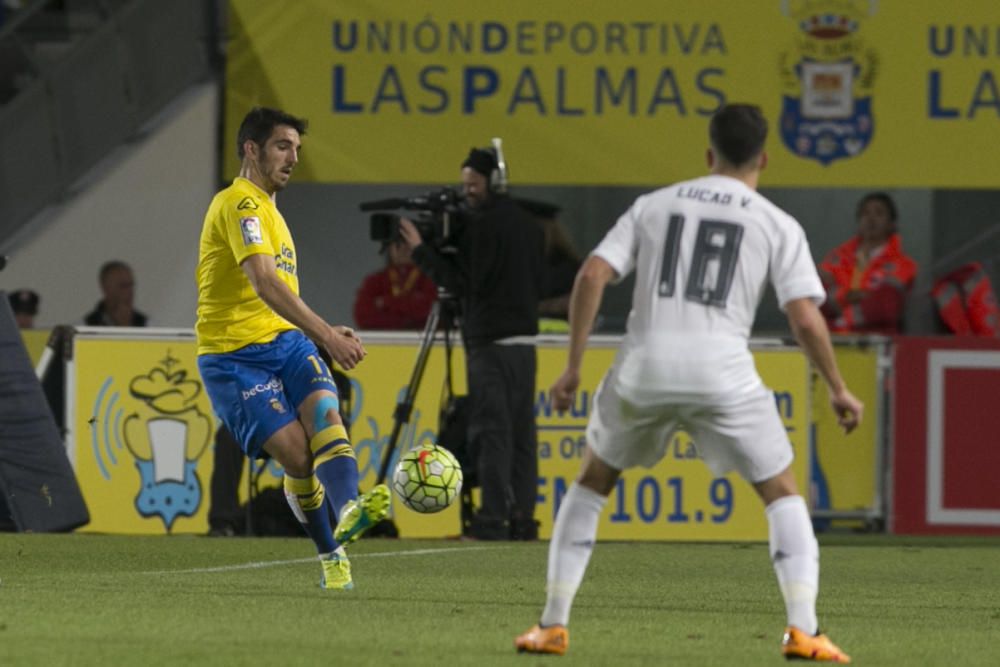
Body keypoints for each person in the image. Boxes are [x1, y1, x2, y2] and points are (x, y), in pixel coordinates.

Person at [514, 104, 863, 663]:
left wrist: (574, 367)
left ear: (708, 154)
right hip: (722, 373)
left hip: (643, 369)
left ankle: (552, 625)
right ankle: (804, 630)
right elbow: (803, 317)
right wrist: (838, 387)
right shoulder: (776, 222)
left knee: (591, 483)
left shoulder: (654, 205)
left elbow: (591, 275)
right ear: (764, 158)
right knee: (781, 492)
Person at [194, 106, 389, 590]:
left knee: (327, 417)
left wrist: (320, 332)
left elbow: (278, 296)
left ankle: (349, 509)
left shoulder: (273, 212)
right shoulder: (239, 205)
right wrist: (326, 335)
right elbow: (263, 282)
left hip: (284, 342)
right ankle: (331, 554)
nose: (293, 157)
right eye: (283, 146)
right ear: (251, 149)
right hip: (232, 356)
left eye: (297, 149)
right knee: (299, 460)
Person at [399, 145, 545, 541]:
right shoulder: (529, 224)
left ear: (491, 182)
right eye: (464, 186)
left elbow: (461, 282)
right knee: (521, 434)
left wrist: (419, 251)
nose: (468, 193)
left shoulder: (480, 228)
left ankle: (491, 520)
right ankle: (522, 519)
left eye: (473, 185)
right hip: (524, 343)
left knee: (492, 431)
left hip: (490, 343)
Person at [818, 192, 917, 334]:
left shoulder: (903, 264)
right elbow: (817, 299)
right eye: (865, 213)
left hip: (878, 345)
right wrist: (849, 296)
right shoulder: (836, 258)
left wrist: (840, 303)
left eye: (879, 213)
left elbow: (884, 307)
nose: (871, 219)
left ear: (892, 224)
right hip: (833, 341)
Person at [352, 237, 437, 330]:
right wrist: (409, 309)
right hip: (384, 341)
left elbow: (428, 311)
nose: (403, 249)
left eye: (408, 244)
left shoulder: (431, 279)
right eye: (398, 244)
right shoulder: (375, 280)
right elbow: (363, 317)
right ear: (389, 248)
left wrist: (385, 302)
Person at [83, 260, 149, 326]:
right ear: (105, 288)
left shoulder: (148, 326)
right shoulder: (83, 328)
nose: (129, 291)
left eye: (131, 285)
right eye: (123, 286)